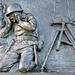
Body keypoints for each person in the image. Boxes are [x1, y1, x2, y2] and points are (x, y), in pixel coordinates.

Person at [0, 3, 44, 72]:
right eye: (10, 16)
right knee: (1, 67)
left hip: (28, 45)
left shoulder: (28, 17)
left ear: (18, 12)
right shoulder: (13, 22)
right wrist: (9, 25)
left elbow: (32, 27)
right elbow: (2, 35)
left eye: (13, 14)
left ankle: (36, 63)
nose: (12, 17)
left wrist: (20, 22)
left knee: (23, 68)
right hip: (16, 45)